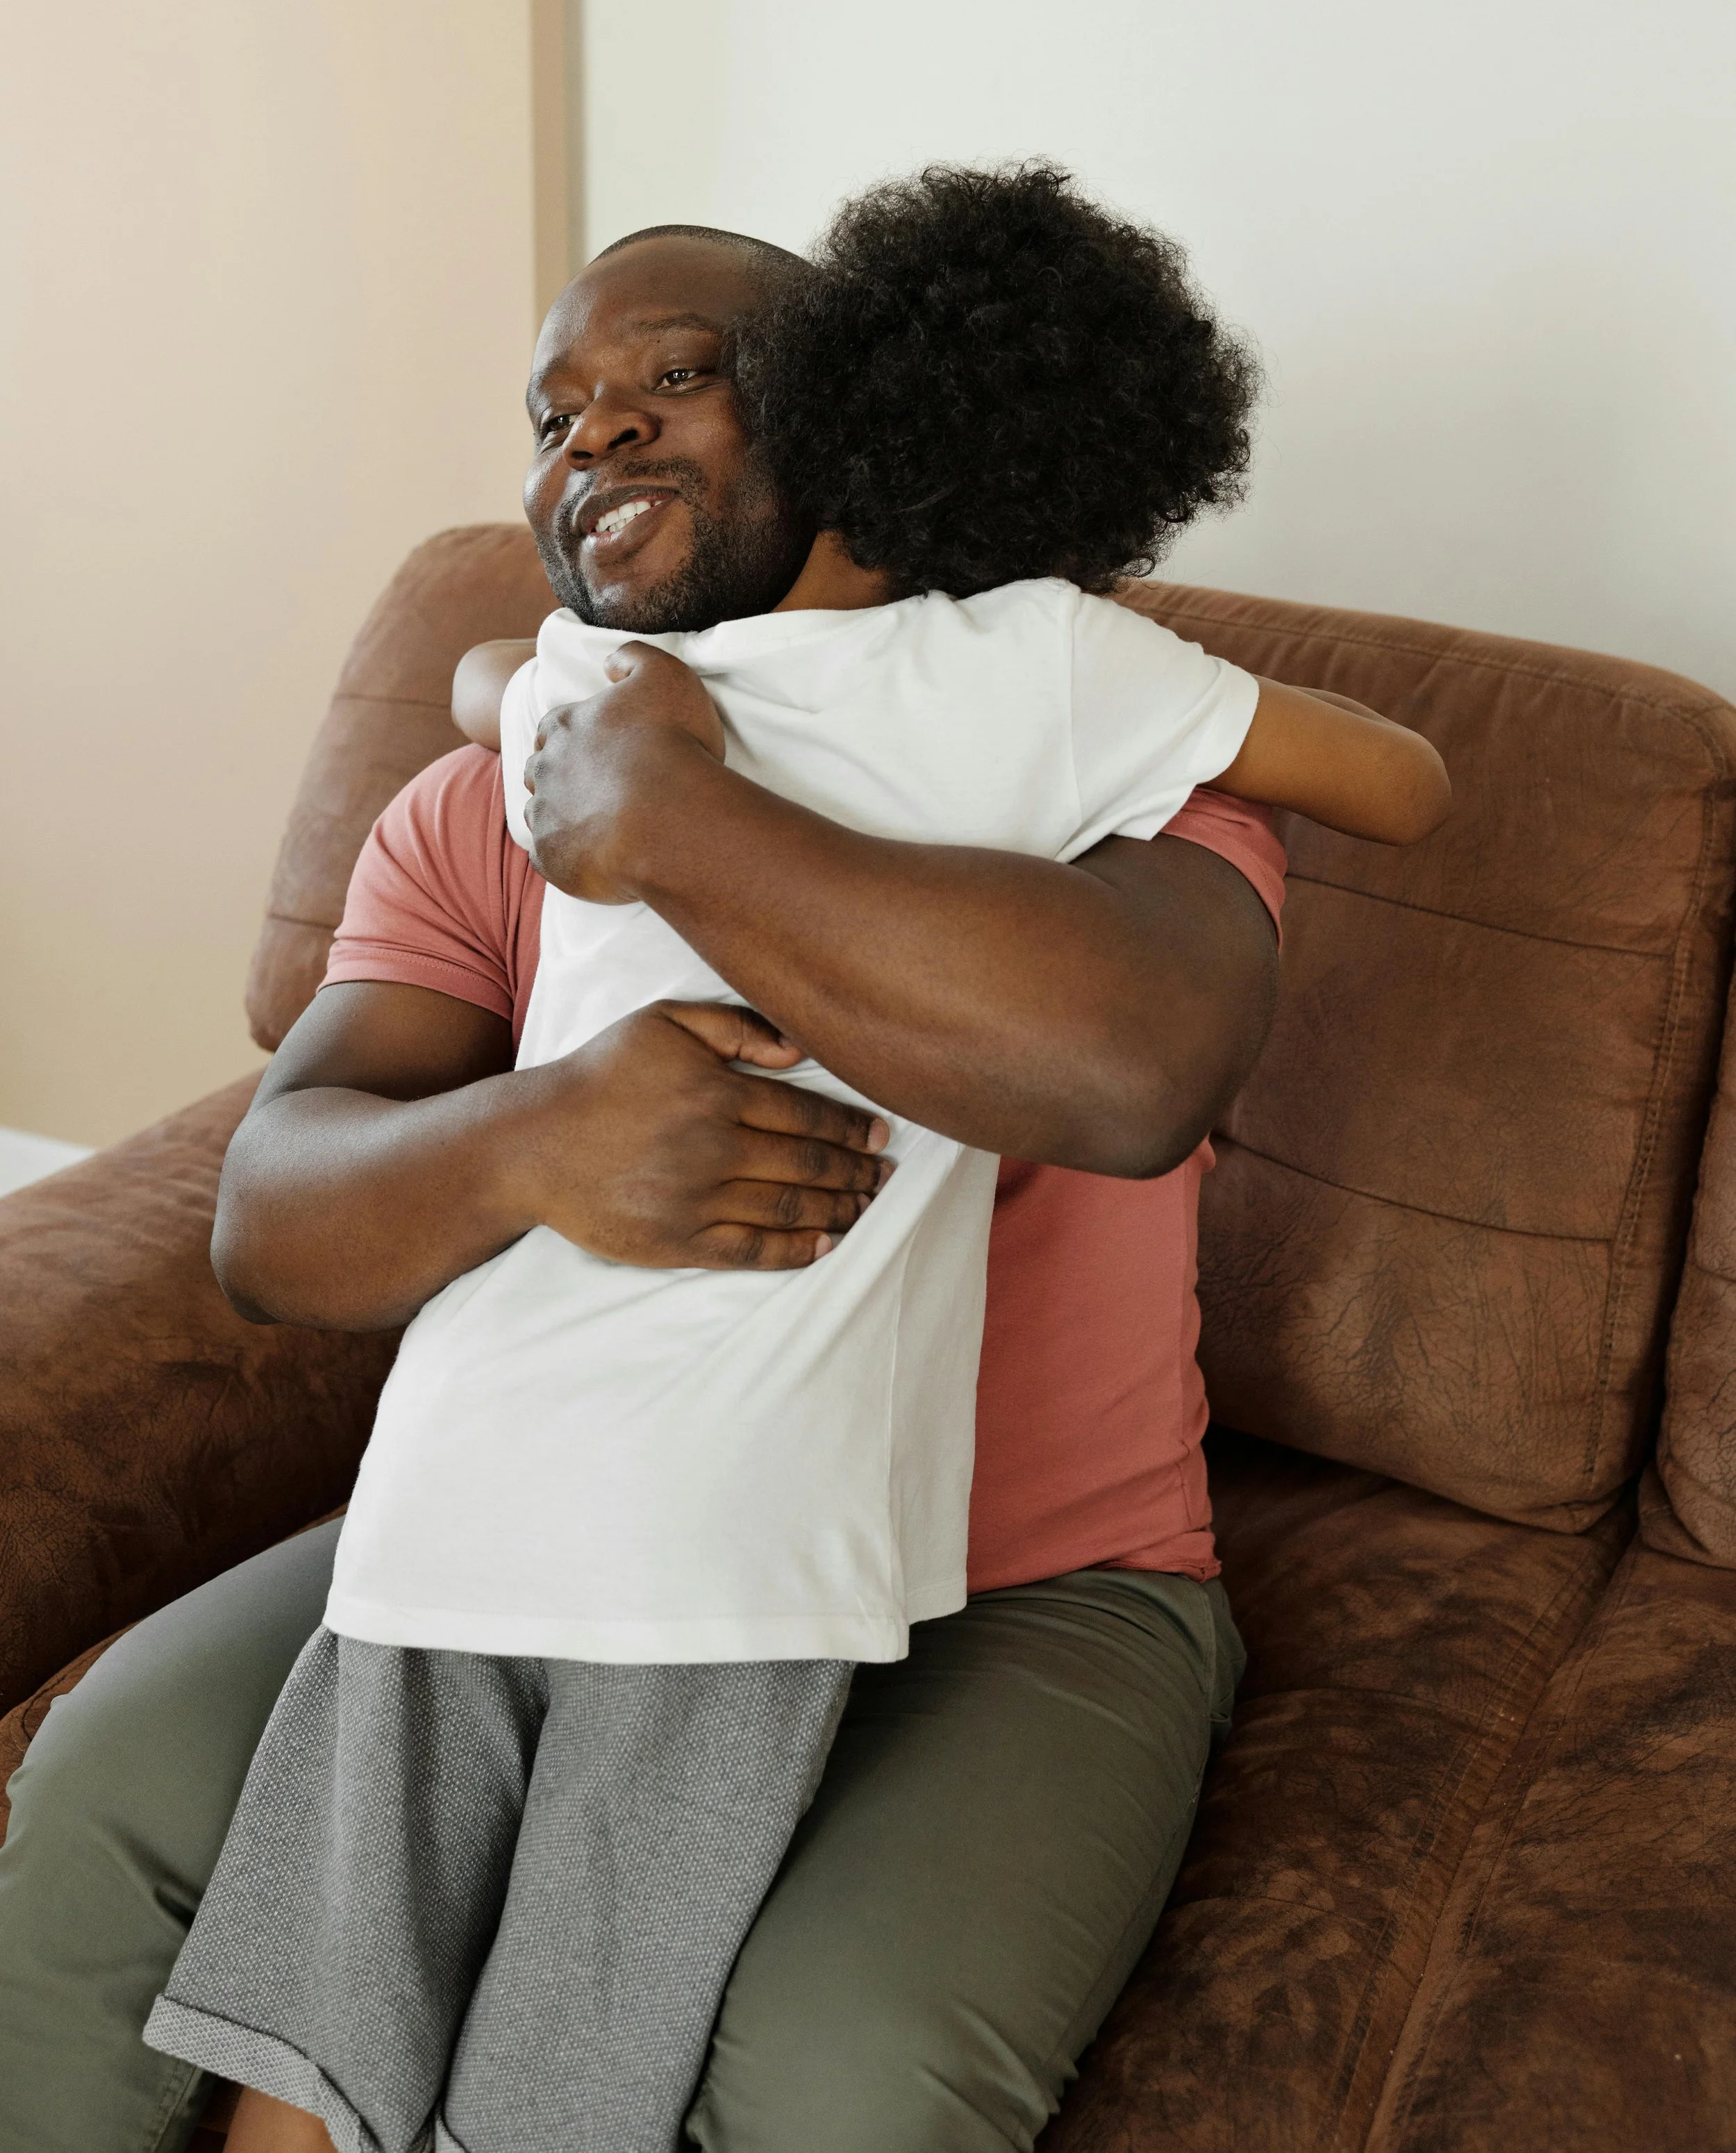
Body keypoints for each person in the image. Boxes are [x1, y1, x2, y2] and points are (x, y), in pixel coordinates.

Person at [133, 167, 1448, 2153]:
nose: (596, 429)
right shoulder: (563, 713)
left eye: (679, 376)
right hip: (476, 1493)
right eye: (553, 414)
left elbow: (1127, 1067)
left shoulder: (1053, 702)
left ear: (864, 416)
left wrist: (667, 819)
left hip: (857, 1559)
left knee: (647, 2077)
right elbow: (268, 1219)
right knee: (286, 2032)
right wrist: (539, 1130)